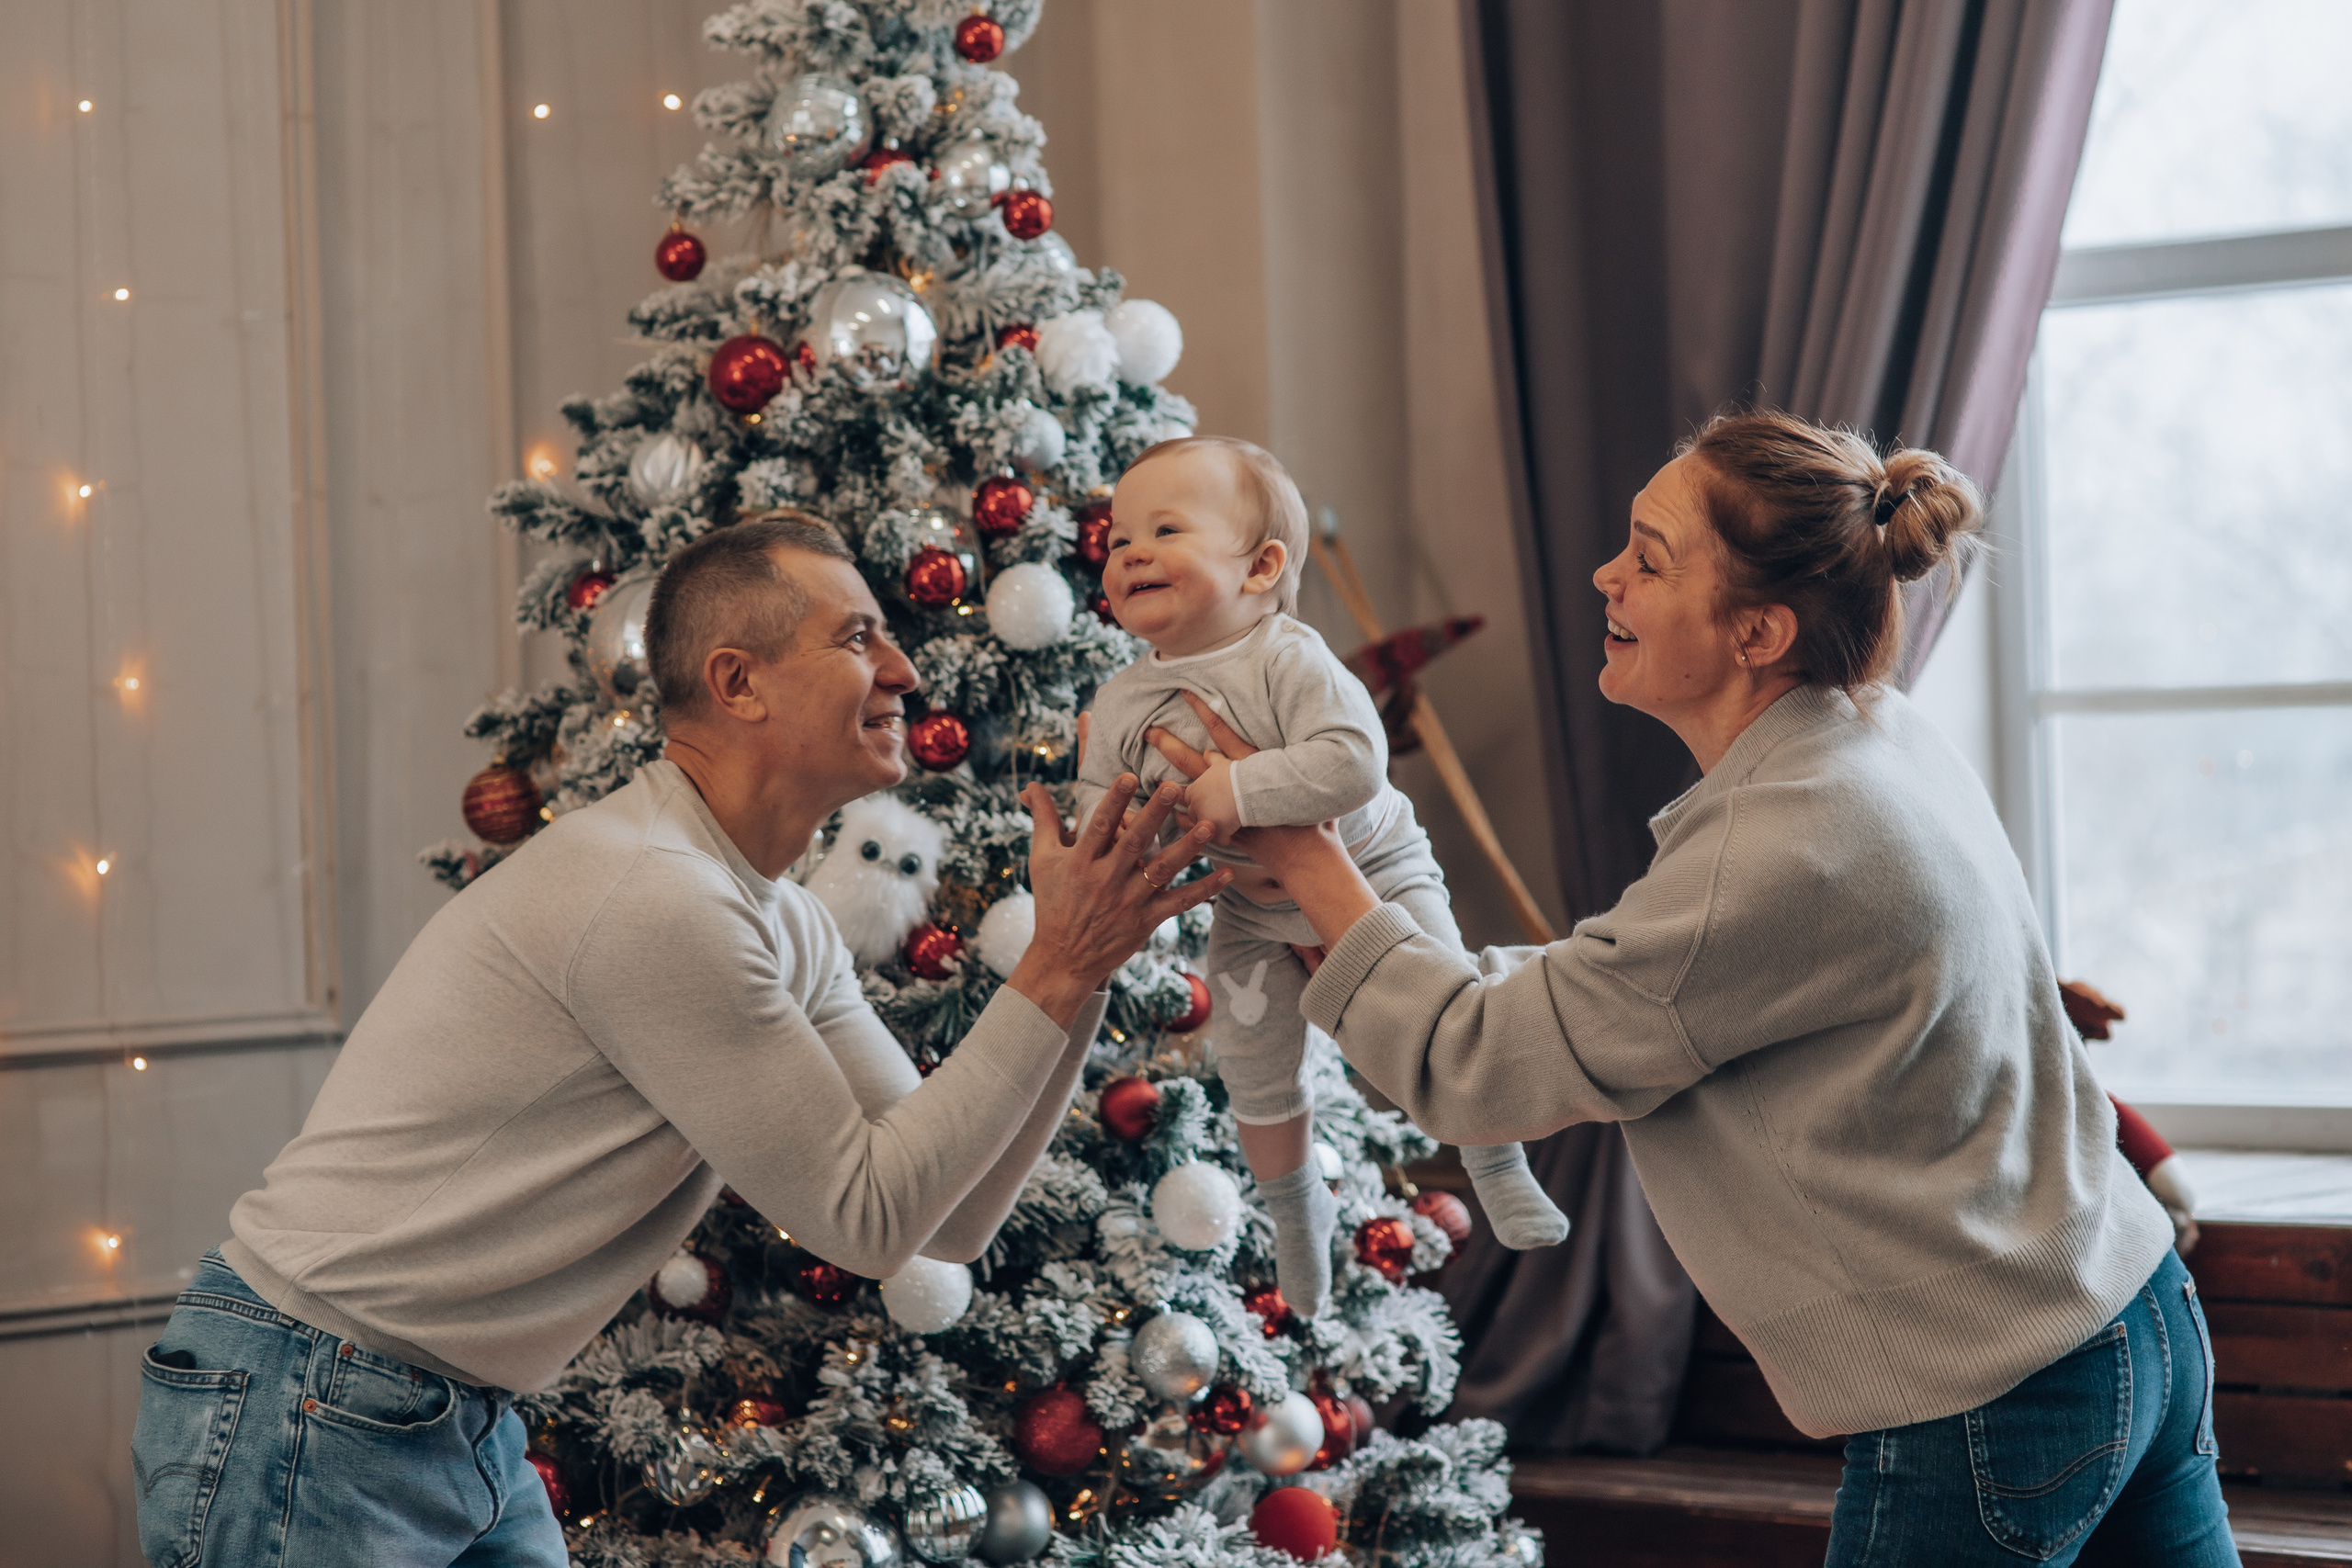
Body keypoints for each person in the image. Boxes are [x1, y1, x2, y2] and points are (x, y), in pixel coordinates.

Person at [1153, 412, 2236, 1566]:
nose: (1604, 575)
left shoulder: (1783, 846)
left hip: (1992, 1397)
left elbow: (1477, 1069)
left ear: (1758, 632)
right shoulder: (1874, 734)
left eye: (1650, 559)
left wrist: (1305, 850)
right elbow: (1614, 994)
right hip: (2131, 1309)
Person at [130, 513, 1229, 1568]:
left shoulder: (778, 915)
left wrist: (1086, 966)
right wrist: (1059, 965)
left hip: (431, 1409)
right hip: (316, 1398)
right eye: (857, 638)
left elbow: (944, 1219)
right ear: (737, 683)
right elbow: (869, 1219)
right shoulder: (655, 897)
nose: (903, 671)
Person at [1079, 436, 1566, 1316]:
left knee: (1442, 1014)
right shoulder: (1118, 702)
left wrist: (1237, 788)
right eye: (1118, 539)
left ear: (1261, 566)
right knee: (1253, 1067)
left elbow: (1353, 762)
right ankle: (1295, 1214)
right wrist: (1098, 841)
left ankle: (1495, 1159)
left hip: (1374, 870)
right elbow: (1100, 810)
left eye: (1165, 530)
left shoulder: (1287, 657)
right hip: (1249, 908)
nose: (1131, 553)